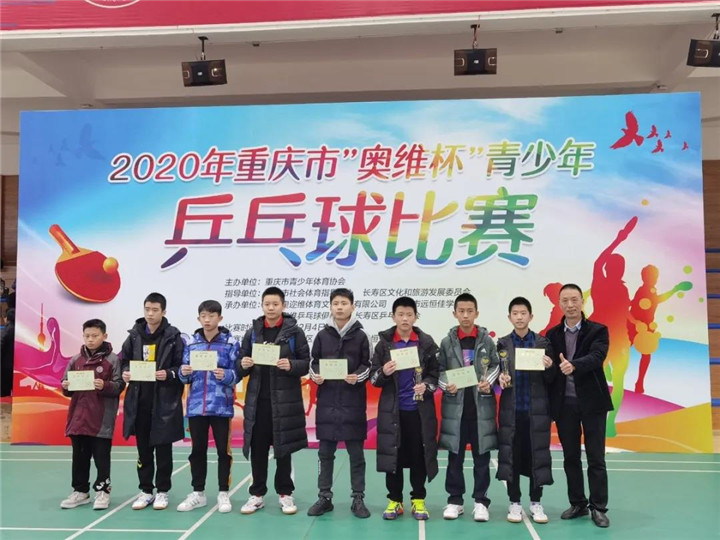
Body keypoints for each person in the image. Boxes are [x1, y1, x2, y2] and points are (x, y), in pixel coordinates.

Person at [237, 287, 310, 516]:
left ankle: (285, 494)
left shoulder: (294, 333)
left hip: (284, 402)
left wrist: (291, 365)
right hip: (258, 402)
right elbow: (240, 363)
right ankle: (257, 494)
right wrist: (244, 364)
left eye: (275, 304)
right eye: (267, 304)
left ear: (283, 306)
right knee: (258, 450)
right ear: (262, 306)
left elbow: (305, 363)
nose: (271, 308)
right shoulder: (252, 333)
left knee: (283, 450)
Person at [546, 283, 611, 528]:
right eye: (565, 300)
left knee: (596, 458)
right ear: (559, 304)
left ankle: (599, 507)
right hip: (565, 406)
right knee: (570, 457)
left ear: (582, 301)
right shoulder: (552, 335)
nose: (570, 305)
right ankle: (578, 503)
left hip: (593, 404)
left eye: (574, 299)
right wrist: (547, 365)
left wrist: (574, 365)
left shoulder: (598, 330)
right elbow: (552, 372)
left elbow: (597, 357)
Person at [370, 296, 439, 521]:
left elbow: (434, 375)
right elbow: (373, 379)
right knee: (394, 457)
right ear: (393, 317)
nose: (405, 319)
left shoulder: (426, 343)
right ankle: (395, 500)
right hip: (393, 412)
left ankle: (418, 500)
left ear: (416, 317)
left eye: (409, 314)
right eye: (400, 314)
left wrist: (425, 385)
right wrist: (384, 372)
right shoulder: (384, 344)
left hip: (419, 412)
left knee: (419, 456)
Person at [307, 288, 372, 519]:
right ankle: (324, 497)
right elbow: (313, 362)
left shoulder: (361, 336)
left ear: (352, 306)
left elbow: (368, 364)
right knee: (325, 454)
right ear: (330, 307)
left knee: (356, 455)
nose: (340, 307)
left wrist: (358, 376)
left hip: (353, 403)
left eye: (344, 303)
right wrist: (316, 375)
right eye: (336, 303)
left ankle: (358, 498)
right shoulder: (322, 335)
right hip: (327, 403)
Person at [438, 293, 499, 522]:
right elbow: (439, 370)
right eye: (461, 311)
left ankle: (481, 502)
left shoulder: (486, 341)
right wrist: (447, 384)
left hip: (481, 410)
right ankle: (455, 501)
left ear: (476, 313)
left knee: (482, 459)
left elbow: (496, 364)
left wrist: (488, 381)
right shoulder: (447, 342)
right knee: (455, 459)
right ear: (454, 313)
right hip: (456, 411)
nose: (465, 315)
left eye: (469, 311)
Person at [121, 292, 185, 511]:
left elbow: (181, 367)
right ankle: (146, 490)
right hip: (139, 402)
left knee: (164, 451)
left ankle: (163, 491)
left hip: (164, 403)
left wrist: (169, 373)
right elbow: (123, 361)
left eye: (155, 310)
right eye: (147, 309)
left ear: (163, 312)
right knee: (143, 450)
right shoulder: (134, 336)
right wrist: (126, 372)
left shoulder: (173, 336)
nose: (150, 314)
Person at [496, 297, 555, 524]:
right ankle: (514, 502)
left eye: (523, 313)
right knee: (511, 456)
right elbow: (494, 374)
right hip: (511, 411)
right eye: (515, 313)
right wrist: (499, 379)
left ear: (531, 316)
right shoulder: (502, 344)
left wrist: (550, 367)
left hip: (536, 411)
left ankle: (536, 502)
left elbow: (552, 379)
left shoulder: (543, 343)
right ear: (509, 317)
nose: (519, 317)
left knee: (536, 456)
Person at [177, 300, 239, 513]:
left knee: (224, 451)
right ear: (198, 318)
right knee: (197, 451)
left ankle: (223, 492)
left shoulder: (230, 343)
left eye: (211, 316)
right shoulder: (191, 344)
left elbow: (238, 373)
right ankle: (198, 492)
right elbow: (184, 375)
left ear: (219, 318)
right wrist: (183, 373)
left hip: (221, 406)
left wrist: (227, 375)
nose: (207, 320)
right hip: (196, 406)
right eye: (203, 316)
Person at [60, 319, 125, 510]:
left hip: (101, 419)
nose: (90, 339)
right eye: (87, 336)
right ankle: (80, 491)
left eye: (95, 336)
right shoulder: (76, 360)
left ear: (104, 336)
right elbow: (66, 386)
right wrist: (65, 386)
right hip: (78, 419)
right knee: (79, 458)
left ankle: (103, 491)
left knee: (101, 458)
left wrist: (105, 385)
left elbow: (119, 385)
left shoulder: (112, 360)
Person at [1, 308, 15, 397]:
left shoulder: (7, 330)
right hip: (15, 364)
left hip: (5, 365)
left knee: (4, 391)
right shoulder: (18, 330)